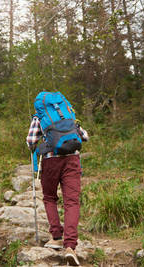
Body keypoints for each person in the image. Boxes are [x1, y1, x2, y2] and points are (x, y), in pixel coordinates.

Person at [26, 112, 89, 266]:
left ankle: (56, 236)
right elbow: (85, 136)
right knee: (72, 202)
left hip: (50, 160)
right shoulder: (68, 116)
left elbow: (31, 140)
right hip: (72, 159)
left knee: (49, 197)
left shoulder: (39, 117)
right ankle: (70, 247)